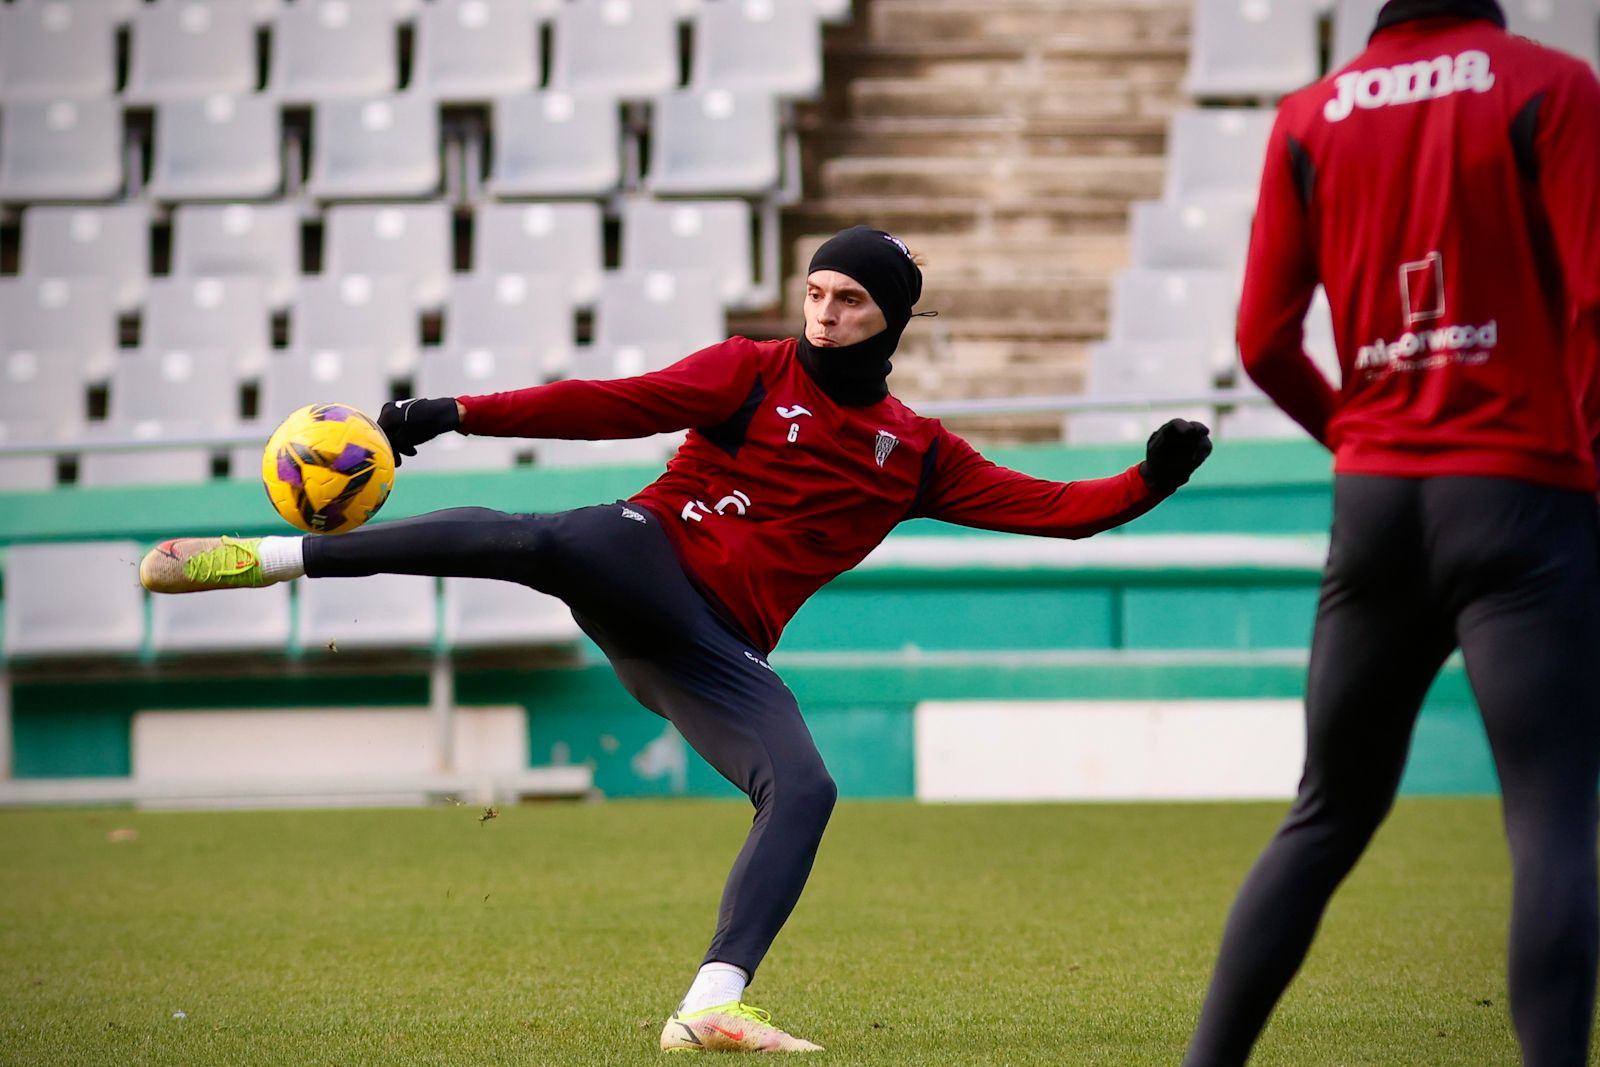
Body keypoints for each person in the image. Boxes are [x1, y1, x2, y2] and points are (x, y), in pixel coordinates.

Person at [139, 225, 1213, 1053]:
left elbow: (1062, 505)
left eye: (849, 300)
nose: (825, 312)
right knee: (548, 538)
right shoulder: (752, 370)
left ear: (891, 319)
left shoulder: (916, 453)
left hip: (704, 649)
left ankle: (710, 1007)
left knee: (805, 785)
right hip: (646, 550)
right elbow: (614, 401)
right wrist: (456, 411)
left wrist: (1153, 478)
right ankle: (265, 557)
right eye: (817, 291)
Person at [1183, 2, 1600, 1065]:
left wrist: (1356, 436)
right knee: (1550, 816)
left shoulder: (1308, 115)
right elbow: (1594, 302)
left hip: (1375, 500)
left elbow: (1261, 340)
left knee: (1324, 813)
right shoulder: (1549, 85)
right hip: (1521, 492)